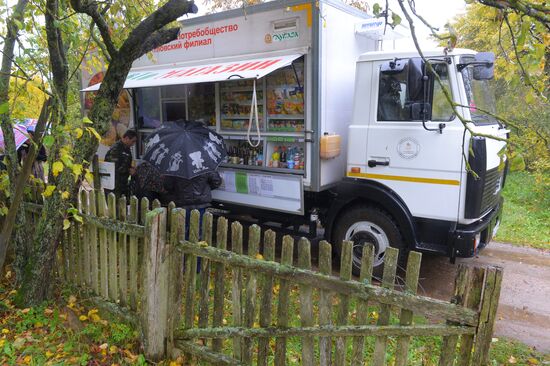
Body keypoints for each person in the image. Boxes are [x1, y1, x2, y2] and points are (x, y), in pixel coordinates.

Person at [162, 171, 222, 239]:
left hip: (182, 202)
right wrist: (205, 189)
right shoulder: (204, 165)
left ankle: (184, 245)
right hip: (200, 203)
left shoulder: (176, 168)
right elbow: (216, 182)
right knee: (198, 229)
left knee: (182, 229)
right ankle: (196, 245)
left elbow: (168, 186)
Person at [104, 129, 137, 197]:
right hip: (114, 186)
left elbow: (125, 163)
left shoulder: (126, 148)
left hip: (122, 184)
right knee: (115, 206)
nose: (133, 144)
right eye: (133, 141)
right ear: (127, 138)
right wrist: (128, 170)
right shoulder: (116, 149)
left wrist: (131, 168)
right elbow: (113, 168)